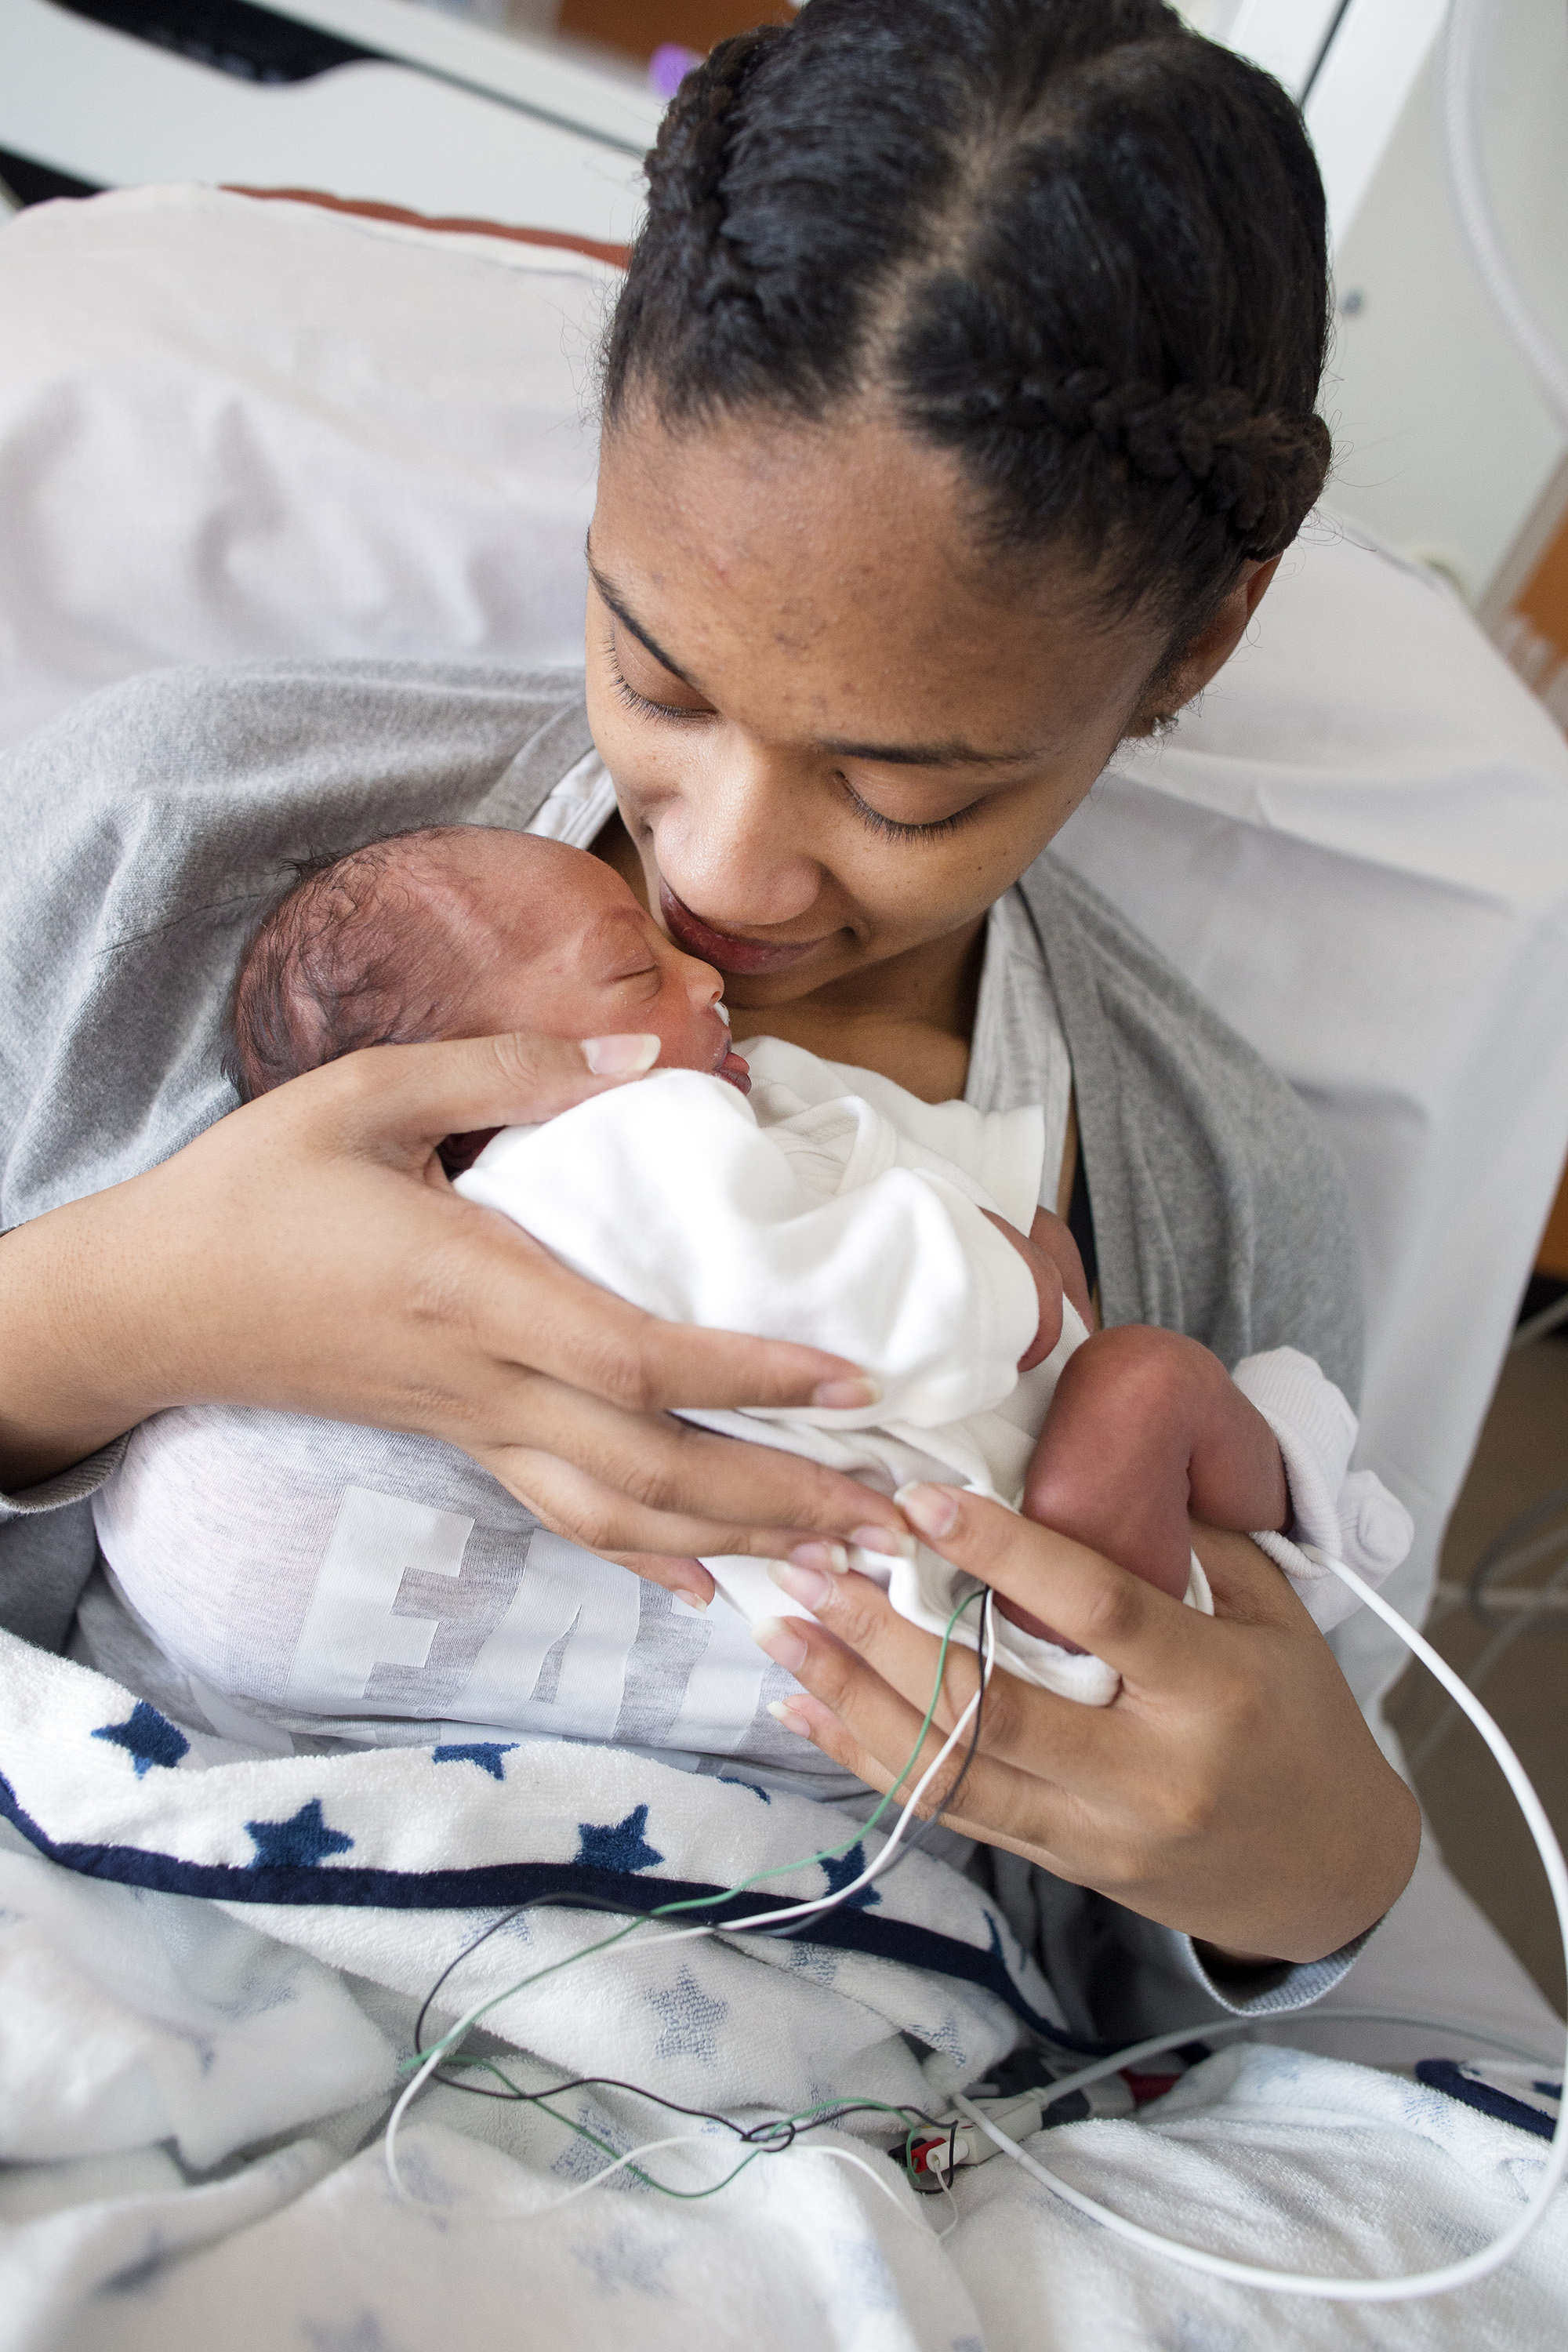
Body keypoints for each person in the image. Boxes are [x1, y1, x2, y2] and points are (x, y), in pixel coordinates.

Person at [0, 0, 1420, 2024]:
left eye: (903, 792)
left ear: (1198, 640)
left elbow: (1118, 1998)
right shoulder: (182, 852)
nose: (730, 877)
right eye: (655, 678)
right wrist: (124, 1310)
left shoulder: (1215, 1207)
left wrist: (1310, 1886)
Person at [87, 821, 1407, 1756]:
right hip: (982, 1574)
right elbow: (821, 1293)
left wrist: (1009, 1228)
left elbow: (857, 1154)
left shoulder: (703, 1102)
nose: (706, 959)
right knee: (1151, 1384)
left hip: (968, 1579)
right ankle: (1301, 1548)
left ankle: (1285, 1563)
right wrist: (1007, 1284)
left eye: (901, 783)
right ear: (477, 1085)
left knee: (1162, 1421)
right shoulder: (598, 1150)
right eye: (636, 973)